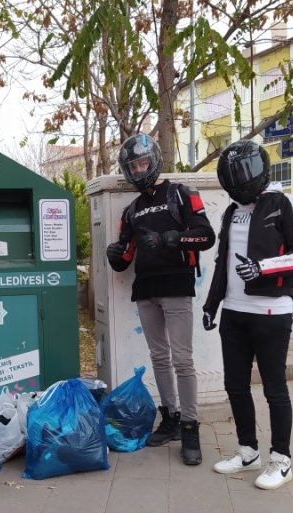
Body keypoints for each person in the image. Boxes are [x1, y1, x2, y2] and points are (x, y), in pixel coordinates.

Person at [203, 140, 293, 490]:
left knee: (274, 388)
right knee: (235, 385)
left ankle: (281, 461)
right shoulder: (232, 211)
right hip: (234, 314)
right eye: (231, 177)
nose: (238, 182)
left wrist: (263, 268)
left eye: (243, 174)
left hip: (271, 312)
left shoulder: (288, 204)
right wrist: (212, 303)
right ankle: (247, 451)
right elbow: (223, 261)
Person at [106, 134, 215, 465]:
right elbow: (125, 258)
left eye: (142, 162)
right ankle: (170, 417)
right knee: (158, 357)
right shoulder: (132, 209)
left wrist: (169, 239)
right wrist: (114, 255)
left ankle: (190, 426)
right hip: (145, 290)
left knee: (183, 359)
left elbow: (206, 236)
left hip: (177, 285)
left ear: (153, 160)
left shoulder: (181, 194)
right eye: (132, 166)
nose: (138, 170)